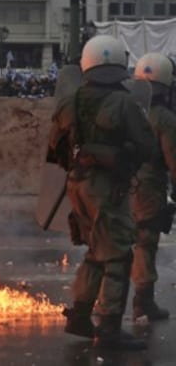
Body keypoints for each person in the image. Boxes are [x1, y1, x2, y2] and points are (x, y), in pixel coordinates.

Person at [49, 35, 156, 350]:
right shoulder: (125, 103)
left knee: (97, 251)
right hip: (108, 188)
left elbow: (55, 149)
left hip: (76, 184)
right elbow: (147, 146)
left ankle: (79, 315)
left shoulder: (70, 102)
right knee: (118, 255)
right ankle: (109, 326)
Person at [131, 52, 176, 322]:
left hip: (119, 187)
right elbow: (173, 159)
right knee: (146, 245)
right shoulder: (165, 119)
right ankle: (143, 302)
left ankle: (102, 303)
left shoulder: (124, 108)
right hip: (149, 191)